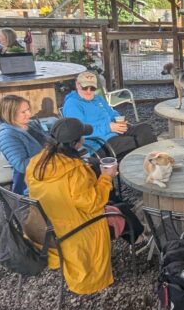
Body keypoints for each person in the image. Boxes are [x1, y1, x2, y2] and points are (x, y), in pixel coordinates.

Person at [25, 118, 120, 295]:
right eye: (82, 136)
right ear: (76, 142)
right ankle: (137, 239)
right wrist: (106, 177)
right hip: (73, 231)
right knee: (121, 212)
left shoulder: (37, 162)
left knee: (116, 205)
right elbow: (92, 204)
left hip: (43, 227)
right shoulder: (74, 172)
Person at [62, 71, 157, 158]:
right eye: (85, 87)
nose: (89, 91)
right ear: (77, 85)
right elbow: (78, 131)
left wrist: (118, 119)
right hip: (98, 143)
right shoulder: (72, 104)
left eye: (92, 88)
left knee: (145, 129)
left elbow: (111, 112)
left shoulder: (97, 98)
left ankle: (149, 162)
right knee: (135, 142)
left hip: (113, 131)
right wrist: (108, 128)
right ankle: (144, 163)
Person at [0, 95, 48, 196]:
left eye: (28, 109)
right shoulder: (7, 135)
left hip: (49, 171)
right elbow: (22, 166)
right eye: (23, 112)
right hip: (34, 184)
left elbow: (49, 141)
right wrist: (48, 153)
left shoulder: (31, 125)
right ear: (10, 114)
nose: (29, 114)